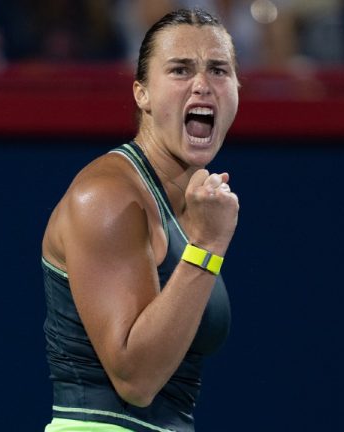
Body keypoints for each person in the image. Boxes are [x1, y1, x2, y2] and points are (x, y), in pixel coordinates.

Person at [41, 8, 239, 432]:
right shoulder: (107, 196)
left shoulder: (187, 206)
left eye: (219, 70)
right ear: (142, 94)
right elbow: (136, 379)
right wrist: (206, 248)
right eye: (180, 70)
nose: (202, 84)